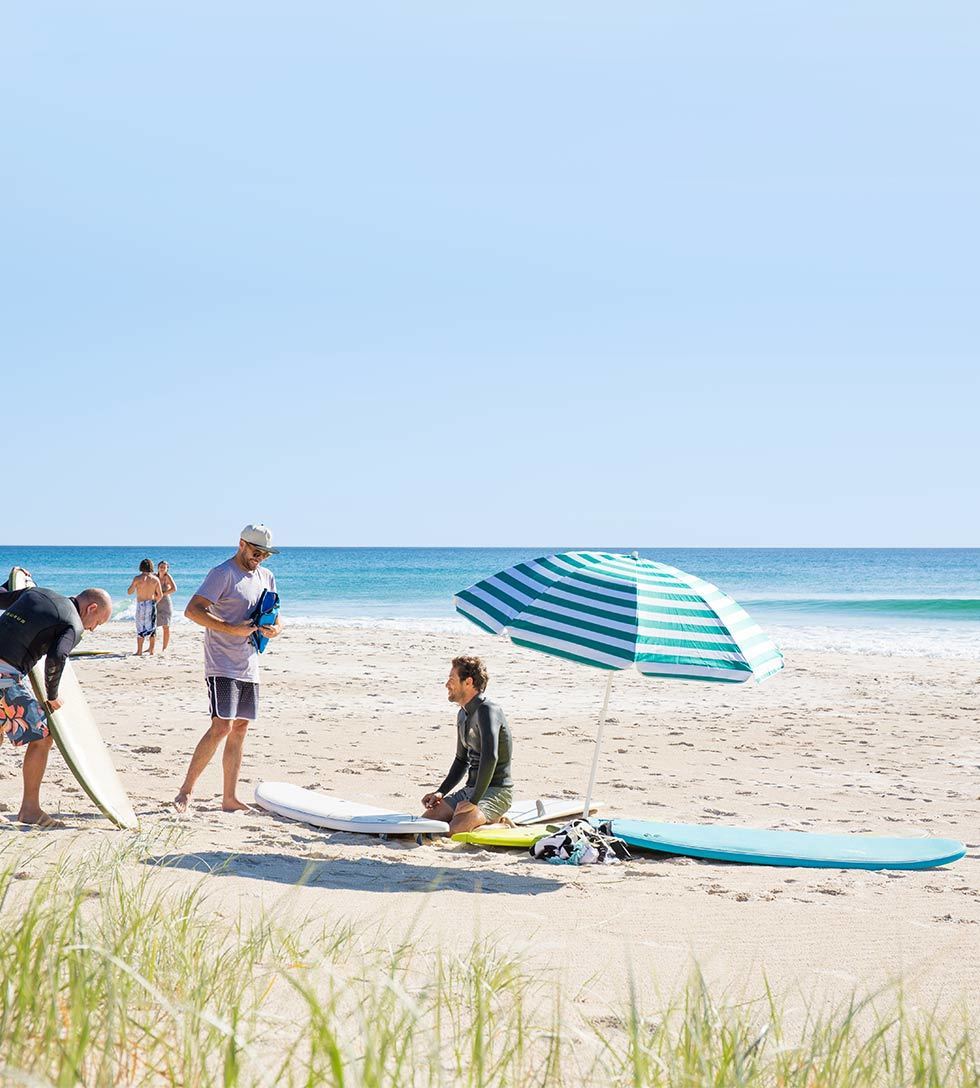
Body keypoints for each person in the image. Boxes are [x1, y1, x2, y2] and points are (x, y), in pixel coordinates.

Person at [174, 524, 282, 813]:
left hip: (249, 662)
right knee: (221, 726)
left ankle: (229, 799)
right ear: (241, 544)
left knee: (241, 728)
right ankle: (186, 790)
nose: (260, 558)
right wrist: (231, 629)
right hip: (221, 662)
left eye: (265, 554)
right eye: (256, 552)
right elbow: (192, 610)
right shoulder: (222, 573)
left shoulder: (266, 576)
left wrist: (275, 630)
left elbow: (276, 616)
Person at [0, 583, 113, 827]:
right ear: (91, 608)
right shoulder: (73, 623)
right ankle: (30, 810)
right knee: (43, 737)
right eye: (98, 622)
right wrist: (52, 695)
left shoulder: (35, 592)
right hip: (3, 676)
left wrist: (11, 583)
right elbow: (58, 656)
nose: (93, 628)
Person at [421, 656, 513, 834]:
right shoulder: (462, 714)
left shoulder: (488, 710)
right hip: (470, 790)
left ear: (468, 682)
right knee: (425, 823)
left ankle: (501, 823)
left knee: (454, 831)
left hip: (496, 791)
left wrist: (474, 801)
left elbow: (490, 757)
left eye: (452, 679)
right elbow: (461, 760)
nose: (447, 684)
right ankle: (480, 819)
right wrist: (441, 792)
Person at [126, 559, 162, 656]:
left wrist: (134, 585)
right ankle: (151, 651)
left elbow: (129, 592)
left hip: (141, 604)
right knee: (152, 628)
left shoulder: (137, 578)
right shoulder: (155, 579)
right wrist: (154, 603)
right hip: (151, 603)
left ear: (141, 567)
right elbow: (160, 595)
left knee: (140, 627)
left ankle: (139, 651)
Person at [156, 560, 177, 653]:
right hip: (156, 602)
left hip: (165, 604)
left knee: (166, 626)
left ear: (167, 569)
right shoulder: (154, 576)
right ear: (158, 567)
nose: (162, 568)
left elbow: (174, 589)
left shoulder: (167, 577)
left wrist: (162, 594)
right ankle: (151, 647)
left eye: (164, 567)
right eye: (161, 566)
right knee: (153, 626)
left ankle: (164, 648)